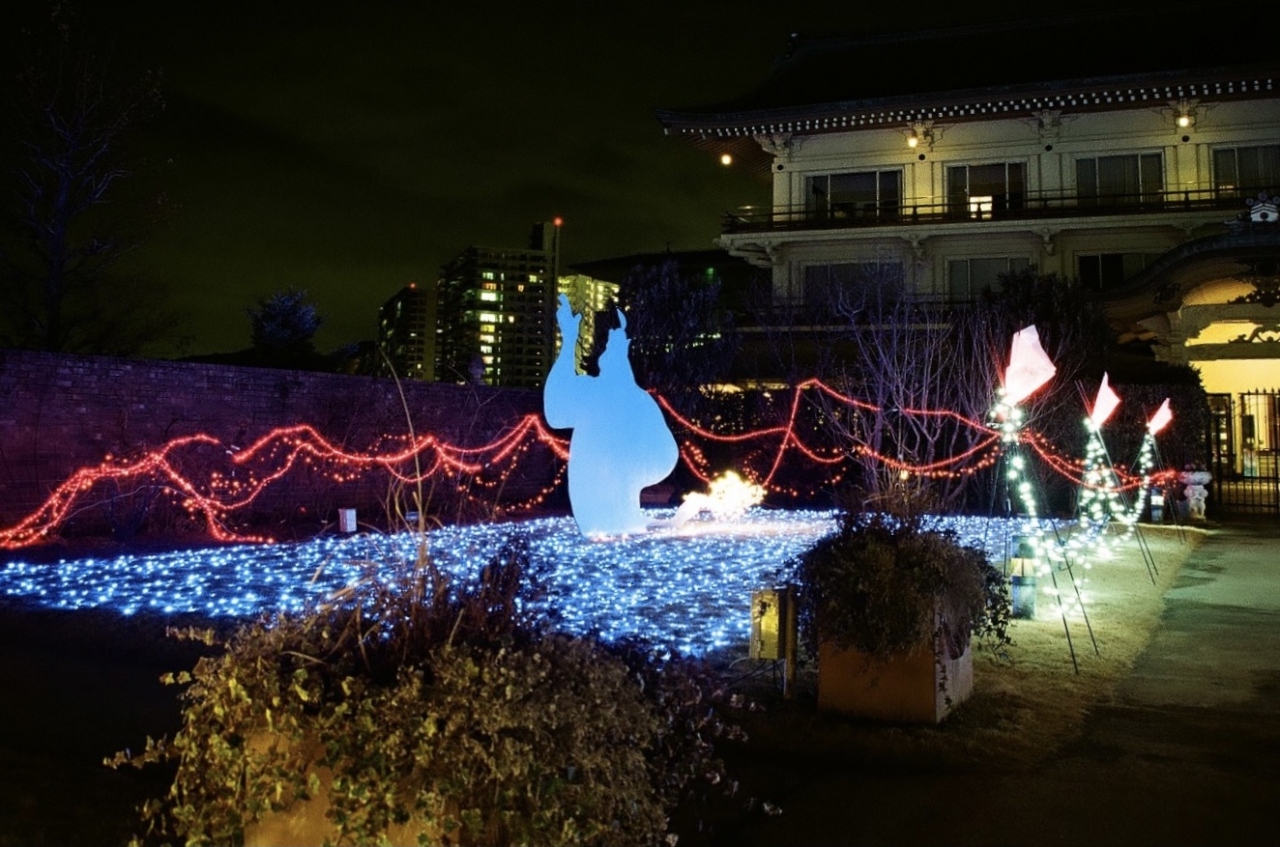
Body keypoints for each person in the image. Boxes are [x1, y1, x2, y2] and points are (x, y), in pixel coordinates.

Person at [543, 294, 678, 537]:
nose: (608, 352)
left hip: (620, 504)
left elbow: (665, 454)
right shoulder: (595, 390)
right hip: (590, 504)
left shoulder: (638, 399)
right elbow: (556, 411)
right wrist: (569, 340)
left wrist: (632, 467)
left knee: (616, 526)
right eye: (607, 347)